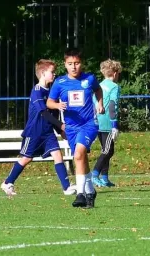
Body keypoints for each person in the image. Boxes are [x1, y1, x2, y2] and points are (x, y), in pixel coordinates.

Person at [0, 59, 77, 197]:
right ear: (42, 73)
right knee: (26, 158)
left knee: (58, 155)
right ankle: (7, 182)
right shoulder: (37, 91)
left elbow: (53, 114)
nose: (54, 75)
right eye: (52, 72)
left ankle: (66, 188)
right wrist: (61, 126)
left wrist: (60, 130)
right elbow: (43, 112)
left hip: (47, 133)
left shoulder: (52, 93)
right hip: (34, 132)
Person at [47, 47, 104, 208]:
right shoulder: (60, 83)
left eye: (77, 63)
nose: (73, 67)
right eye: (70, 63)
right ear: (65, 64)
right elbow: (49, 102)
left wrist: (99, 103)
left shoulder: (89, 79)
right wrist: (58, 105)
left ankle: (80, 194)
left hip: (89, 124)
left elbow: (98, 89)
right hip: (71, 127)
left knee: (78, 154)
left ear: (82, 63)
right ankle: (90, 191)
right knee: (81, 158)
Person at [92, 59, 122, 188]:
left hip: (97, 121)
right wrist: (114, 125)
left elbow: (94, 103)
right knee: (107, 150)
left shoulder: (98, 85)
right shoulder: (114, 86)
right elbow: (112, 105)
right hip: (107, 122)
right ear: (115, 73)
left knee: (108, 150)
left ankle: (104, 178)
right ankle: (94, 174)